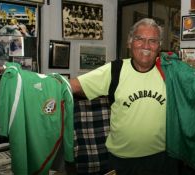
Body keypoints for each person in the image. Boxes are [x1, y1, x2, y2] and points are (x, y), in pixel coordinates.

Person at [70, 18, 178, 175]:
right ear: (129, 43)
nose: (146, 46)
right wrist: (37, 84)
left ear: (159, 46)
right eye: (139, 39)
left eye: (152, 41)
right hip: (122, 161)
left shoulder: (169, 71)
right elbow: (72, 86)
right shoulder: (115, 70)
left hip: (163, 159)